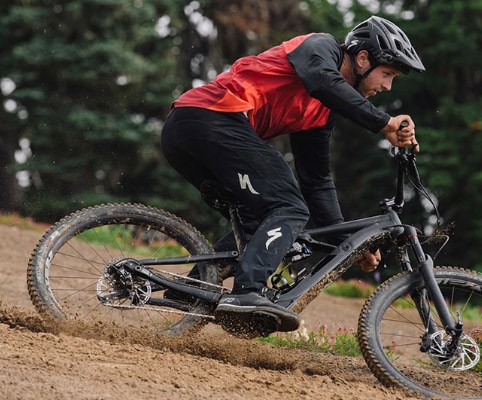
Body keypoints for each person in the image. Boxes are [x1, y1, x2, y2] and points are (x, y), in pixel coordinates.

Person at [160, 16, 425, 332]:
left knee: (259, 223)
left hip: (192, 134)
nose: (387, 86)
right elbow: (323, 81)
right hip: (209, 118)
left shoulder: (321, 112)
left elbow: (317, 182)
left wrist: (349, 242)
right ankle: (246, 295)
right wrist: (383, 123)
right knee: (289, 207)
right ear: (363, 58)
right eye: (387, 74)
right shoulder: (319, 47)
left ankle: (188, 292)